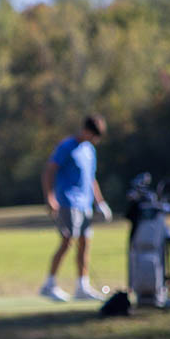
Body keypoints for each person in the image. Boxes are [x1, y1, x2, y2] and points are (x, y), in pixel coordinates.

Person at [39, 113, 112, 302]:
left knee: (85, 244)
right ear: (86, 130)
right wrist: (50, 197)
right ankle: (49, 284)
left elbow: (91, 179)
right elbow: (49, 170)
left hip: (85, 203)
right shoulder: (66, 146)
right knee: (67, 241)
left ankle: (82, 286)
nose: (95, 140)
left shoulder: (90, 150)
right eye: (93, 135)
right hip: (67, 201)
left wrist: (100, 202)